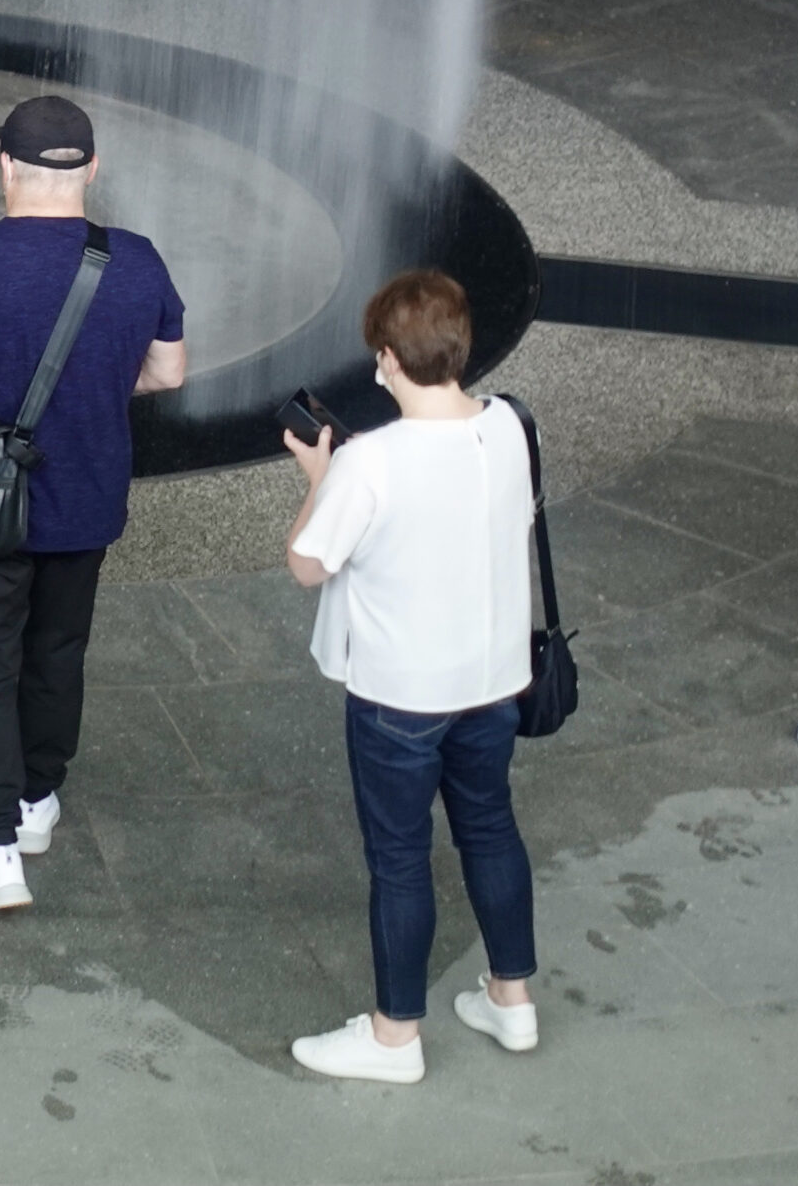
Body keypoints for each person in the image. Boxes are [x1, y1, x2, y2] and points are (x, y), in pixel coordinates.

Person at [0, 96, 185, 912]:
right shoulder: (139, 262)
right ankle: (37, 800)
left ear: (6, 170)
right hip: (87, 498)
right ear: (91, 170)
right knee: (59, 651)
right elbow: (168, 373)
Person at [284, 269, 541, 1085]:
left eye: (378, 358)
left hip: (400, 694)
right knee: (490, 829)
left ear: (392, 359)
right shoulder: (511, 428)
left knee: (399, 859)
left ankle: (395, 1038)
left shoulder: (372, 461)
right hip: (493, 680)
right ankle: (512, 999)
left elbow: (308, 563)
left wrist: (318, 478)